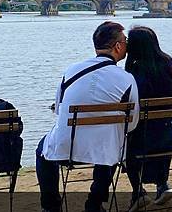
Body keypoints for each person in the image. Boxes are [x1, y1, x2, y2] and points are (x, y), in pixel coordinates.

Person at [36, 21, 139, 212]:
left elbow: (59, 109)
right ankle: (94, 202)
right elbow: (131, 123)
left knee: (42, 151)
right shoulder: (127, 79)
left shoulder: (71, 70)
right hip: (104, 151)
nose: (126, 44)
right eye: (125, 41)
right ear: (117, 46)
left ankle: (50, 206)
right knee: (109, 144)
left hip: (67, 146)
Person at [124, 26, 172, 209]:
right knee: (160, 125)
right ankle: (162, 184)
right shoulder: (169, 64)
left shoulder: (135, 71)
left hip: (146, 139)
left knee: (127, 143)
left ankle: (138, 192)